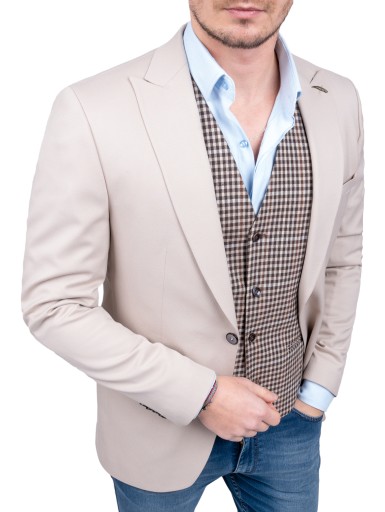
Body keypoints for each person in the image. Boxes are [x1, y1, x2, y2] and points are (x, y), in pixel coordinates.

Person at [21, 1, 364, 510]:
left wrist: (320, 386)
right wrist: (201, 393)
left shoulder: (337, 98)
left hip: (291, 421)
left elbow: (343, 254)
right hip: (156, 431)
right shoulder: (94, 107)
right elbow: (54, 304)